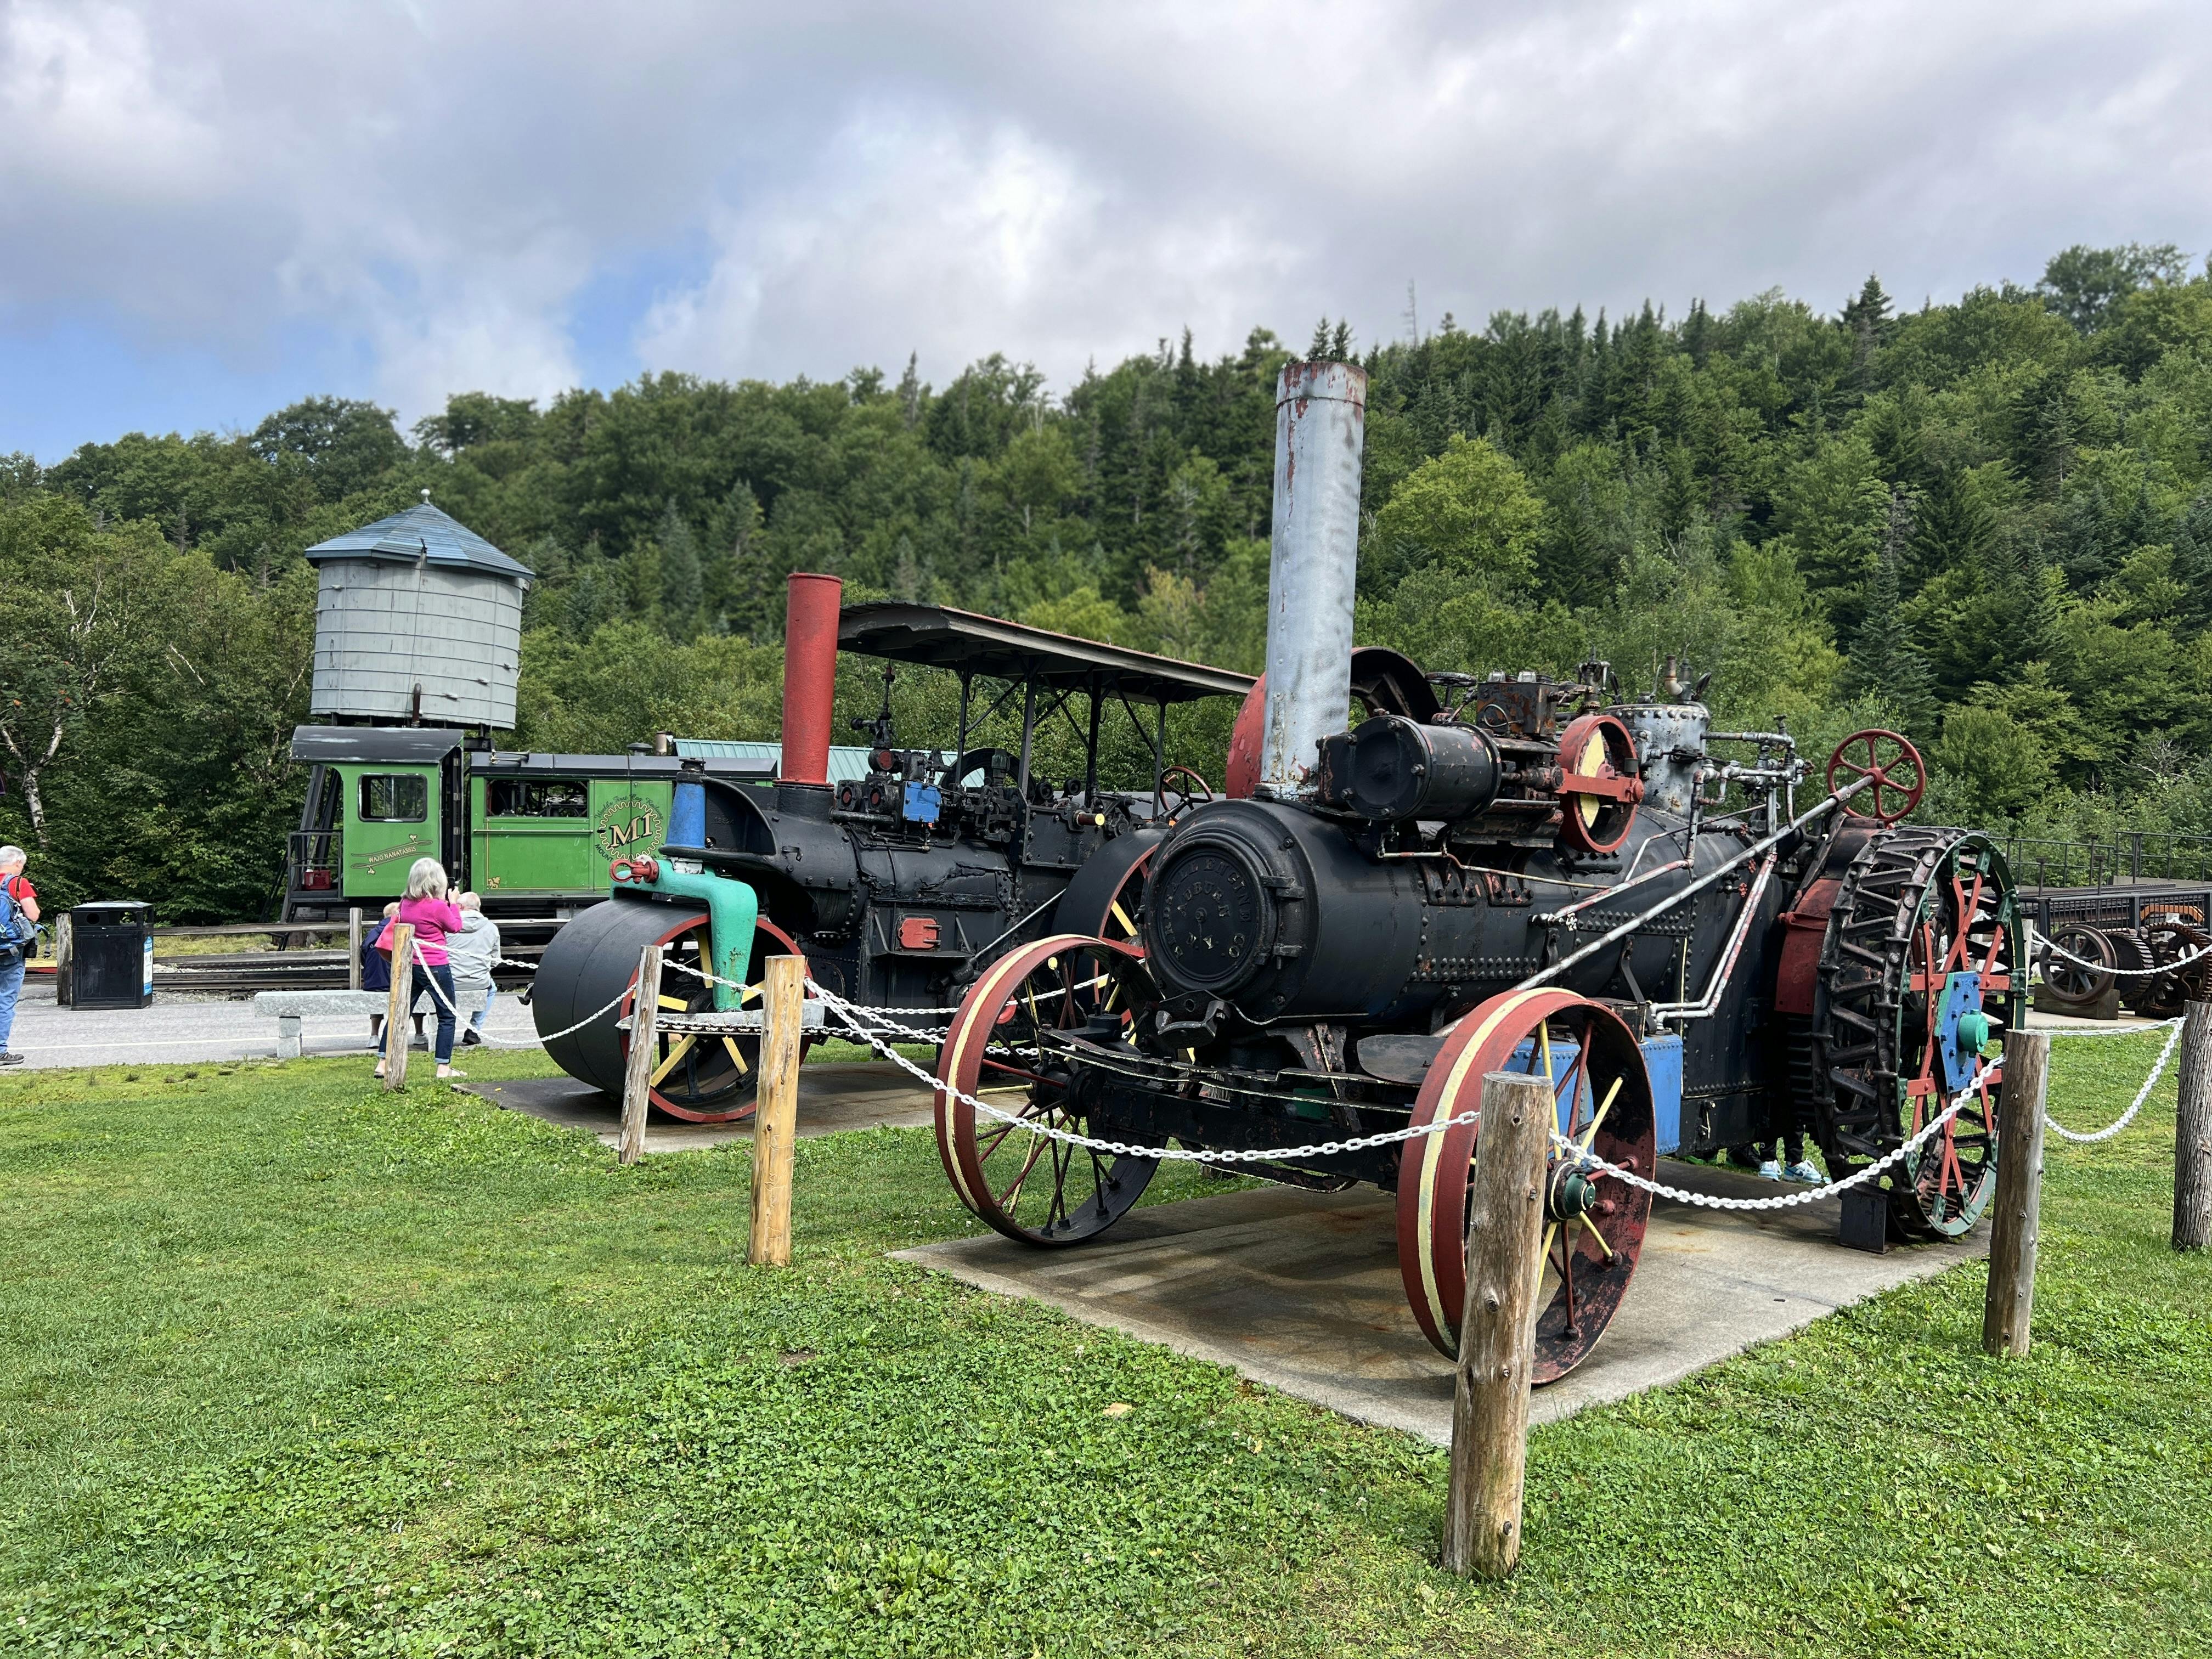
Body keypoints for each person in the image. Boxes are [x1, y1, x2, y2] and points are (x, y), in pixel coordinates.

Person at [395, 858, 467, 1080]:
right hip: (436, 964)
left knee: (401, 1012)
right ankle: (443, 1067)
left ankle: (383, 1059)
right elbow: (455, 926)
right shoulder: (437, 907)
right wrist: (453, 902)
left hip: (413, 964)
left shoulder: (405, 904)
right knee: (447, 1015)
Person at [445, 892, 501, 1047]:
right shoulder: (491, 928)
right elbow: (495, 961)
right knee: (492, 989)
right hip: (479, 982)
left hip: (450, 981)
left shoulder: (448, 926)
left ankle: (446, 1030)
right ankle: (474, 1030)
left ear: (461, 907)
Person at [0, 845, 38, 1067]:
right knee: (5, 999)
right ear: (16, 863)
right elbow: (33, 914)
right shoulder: (17, 883)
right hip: (10, 951)